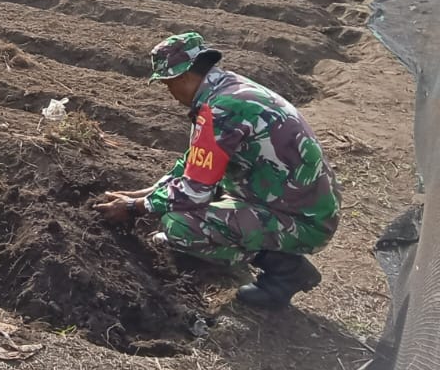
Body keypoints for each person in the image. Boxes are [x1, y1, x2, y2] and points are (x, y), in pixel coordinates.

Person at [94, 32, 340, 309]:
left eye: (168, 85)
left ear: (183, 77)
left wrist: (135, 207)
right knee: (180, 205)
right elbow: (196, 163)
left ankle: (285, 271)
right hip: (289, 201)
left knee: (179, 227)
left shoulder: (220, 110)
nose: (169, 93)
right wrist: (150, 191)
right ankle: (272, 253)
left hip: (303, 221)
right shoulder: (229, 90)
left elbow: (195, 192)